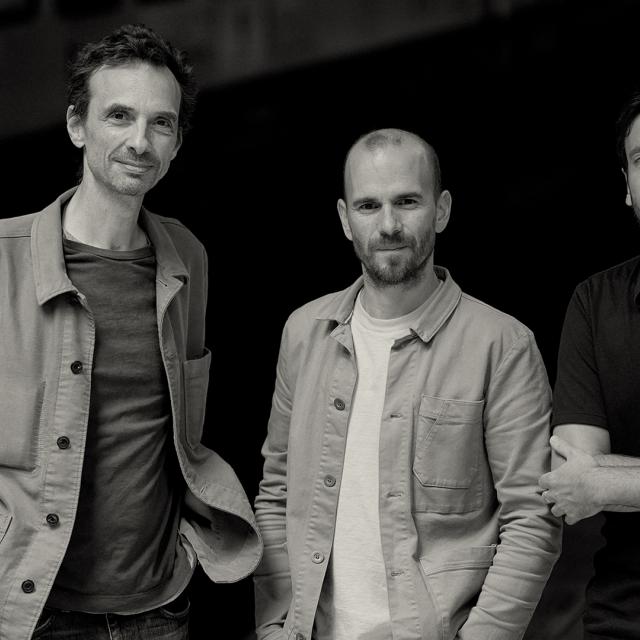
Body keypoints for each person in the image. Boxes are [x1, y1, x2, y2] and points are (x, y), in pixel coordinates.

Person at [0, 24, 261, 640]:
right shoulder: (4, 258)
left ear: (177, 143)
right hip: (31, 610)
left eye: (160, 123)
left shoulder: (187, 258)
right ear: (77, 125)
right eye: (119, 115)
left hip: (158, 609)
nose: (140, 142)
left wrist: (184, 549)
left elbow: (180, 434)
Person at [254, 128, 561, 640]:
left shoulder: (502, 344)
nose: (389, 224)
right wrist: (275, 625)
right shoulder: (304, 333)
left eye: (407, 202)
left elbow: (532, 519)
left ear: (441, 210)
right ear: (344, 219)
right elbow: (277, 494)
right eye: (368, 206)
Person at [539, 90, 640, 639]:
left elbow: (596, 479)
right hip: (624, 617)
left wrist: (611, 480)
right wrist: (596, 480)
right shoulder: (595, 304)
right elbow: (574, 479)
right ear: (627, 184)